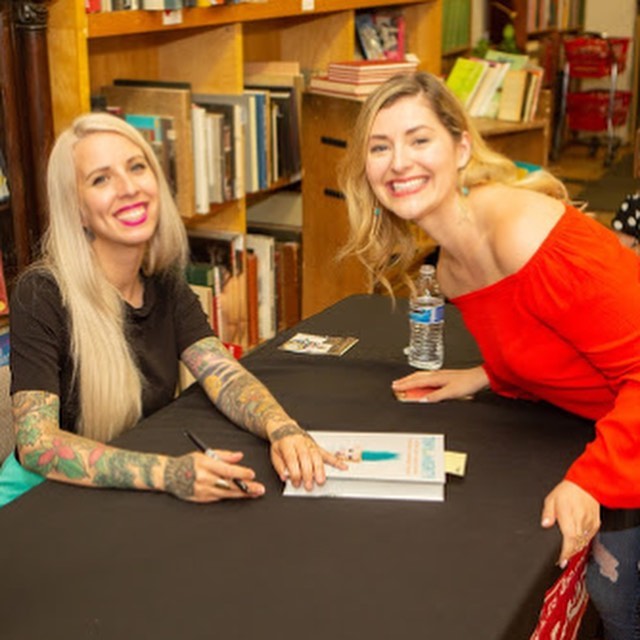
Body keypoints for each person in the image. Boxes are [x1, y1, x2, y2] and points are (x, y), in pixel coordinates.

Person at [339, 71, 640, 640]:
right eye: (380, 147)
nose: (399, 161)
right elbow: (553, 333)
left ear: (461, 147)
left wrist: (592, 480)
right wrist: (487, 373)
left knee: (621, 600)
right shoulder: (450, 269)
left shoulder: (520, 227)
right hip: (613, 424)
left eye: (418, 139)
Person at [3, 111, 344, 508]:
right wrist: (167, 473)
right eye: (101, 179)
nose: (129, 188)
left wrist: (282, 428)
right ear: (76, 210)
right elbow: (36, 443)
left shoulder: (163, 282)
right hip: (35, 503)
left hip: (117, 495)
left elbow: (223, 375)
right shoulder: (41, 293)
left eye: (137, 167)